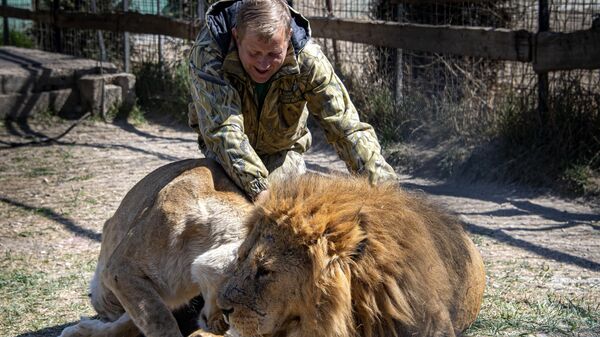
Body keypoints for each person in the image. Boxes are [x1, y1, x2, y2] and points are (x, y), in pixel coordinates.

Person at [188, 0, 396, 202]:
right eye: (254, 53)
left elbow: (346, 127)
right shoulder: (209, 54)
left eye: (273, 53)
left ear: (288, 37)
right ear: (236, 36)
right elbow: (222, 128)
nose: (263, 63)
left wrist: (386, 192)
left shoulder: (309, 61)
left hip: (283, 152)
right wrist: (259, 190)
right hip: (224, 151)